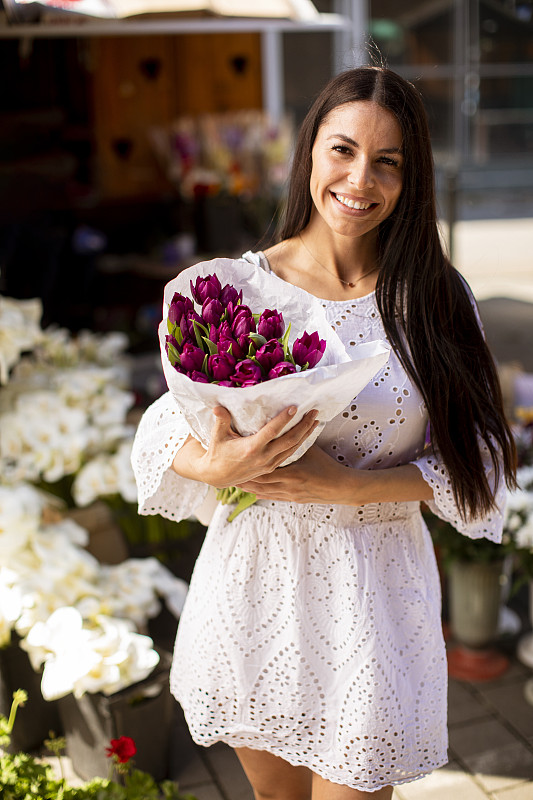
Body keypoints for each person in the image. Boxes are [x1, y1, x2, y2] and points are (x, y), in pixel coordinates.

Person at [131, 66, 516, 800]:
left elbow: (489, 460)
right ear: (310, 152)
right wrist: (214, 465)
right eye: (341, 150)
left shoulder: (432, 299)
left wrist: (351, 486)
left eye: (386, 161)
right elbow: (157, 428)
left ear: (412, 176)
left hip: (374, 596)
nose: (358, 179)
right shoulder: (242, 287)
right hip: (250, 591)